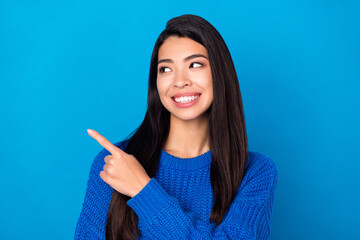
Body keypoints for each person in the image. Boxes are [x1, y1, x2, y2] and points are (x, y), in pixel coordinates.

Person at [74, 14, 278, 240]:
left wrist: (143, 191)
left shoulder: (255, 172)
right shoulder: (114, 163)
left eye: (195, 64)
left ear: (219, 74)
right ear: (156, 82)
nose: (180, 81)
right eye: (166, 69)